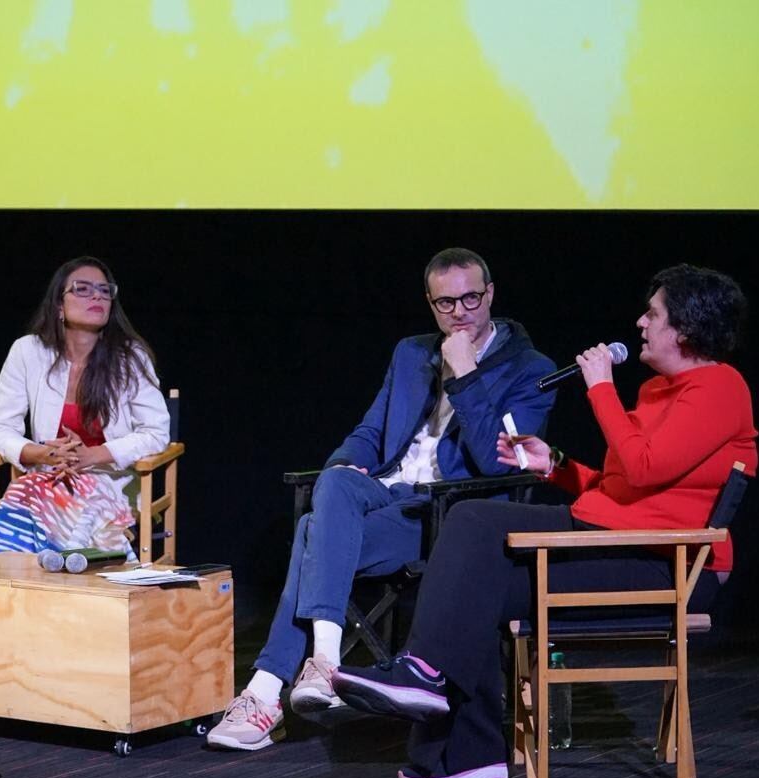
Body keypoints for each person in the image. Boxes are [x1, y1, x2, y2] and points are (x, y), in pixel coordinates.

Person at [331, 263, 757, 778]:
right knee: (476, 580)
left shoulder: (720, 387)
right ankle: (468, 752)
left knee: (472, 518)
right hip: (623, 545)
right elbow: (624, 487)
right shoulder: (661, 392)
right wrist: (552, 465)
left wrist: (600, 388)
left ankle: (423, 672)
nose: (641, 324)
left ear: (686, 329)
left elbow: (644, 467)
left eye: (653, 314)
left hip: (668, 567)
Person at [208, 248, 556, 750]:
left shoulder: (530, 369)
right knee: (334, 482)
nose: (460, 312)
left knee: (310, 534)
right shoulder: (411, 353)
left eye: (471, 298)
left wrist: (466, 378)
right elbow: (371, 432)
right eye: (446, 303)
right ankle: (325, 663)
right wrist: (344, 462)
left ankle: (265, 694)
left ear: (491, 295)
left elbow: (495, 463)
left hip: (445, 514)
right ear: (430, 304)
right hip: (385, 491)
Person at [0, 256, 170, 558]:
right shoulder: (27, 351)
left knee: (44, 501)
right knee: (31, 491)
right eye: (82, 289)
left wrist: (92, 456)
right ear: (59, 305)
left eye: (103, 290)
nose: (97, 295)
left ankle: (55, 584)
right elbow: (0, 429)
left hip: (112, 484)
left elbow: (156, 433)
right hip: (47, 477)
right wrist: (41, 453)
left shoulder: (131, 358)